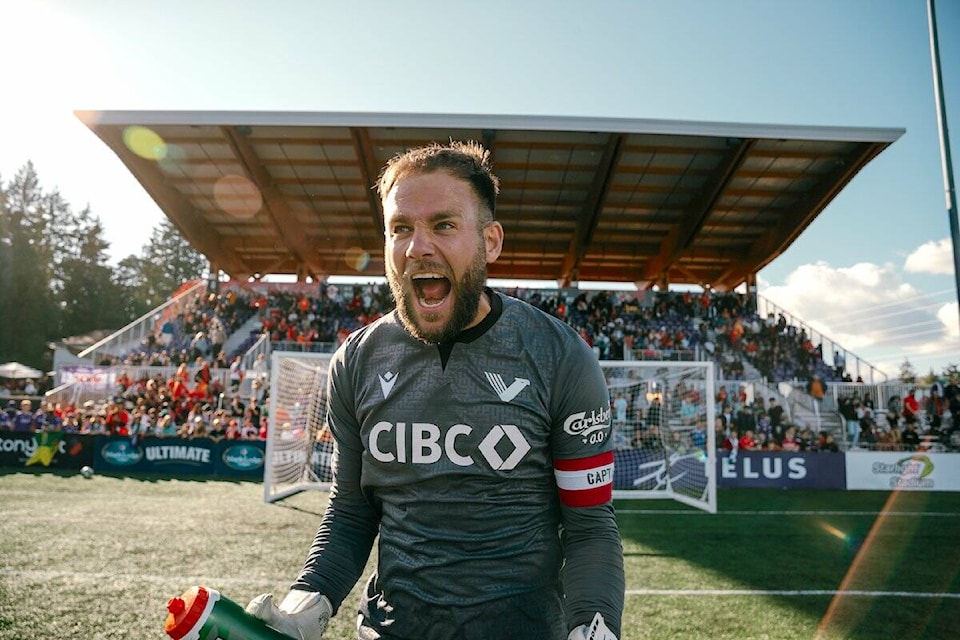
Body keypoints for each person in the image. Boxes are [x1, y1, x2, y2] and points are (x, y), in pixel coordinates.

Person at [246, 142, 624, 640]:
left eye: (443, 224)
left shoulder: (560, 357)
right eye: (400, 228)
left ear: (490, 242)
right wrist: (304, 609)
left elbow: (591, 526)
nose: (416, 247)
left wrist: (594, 630)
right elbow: (351, 513)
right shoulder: (357, 360)